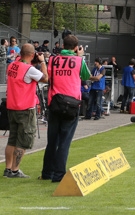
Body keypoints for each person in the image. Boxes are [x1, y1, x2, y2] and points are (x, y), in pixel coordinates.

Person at [41, 35, 90, 182]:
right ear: (76, 47)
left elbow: (48, 76)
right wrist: (79, 56)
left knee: (52, 141)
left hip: (55, 102)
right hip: (72, 104)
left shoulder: (53, 60)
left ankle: (47, 172)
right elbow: (85, 75)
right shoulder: (79, 60)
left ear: (62, 45)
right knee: (64, 141)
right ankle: (58, 174)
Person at [4, 43, 48, 178]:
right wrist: (43, 62)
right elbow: (45, 78)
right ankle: (15, 170)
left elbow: (21, 66)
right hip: (25, 108)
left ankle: (8, 169)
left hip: (12, 107)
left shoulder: (12, 65)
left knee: (12, 139)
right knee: (23, 140)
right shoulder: (29, 69)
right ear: (32, 55)